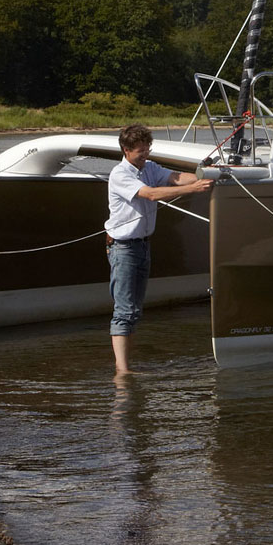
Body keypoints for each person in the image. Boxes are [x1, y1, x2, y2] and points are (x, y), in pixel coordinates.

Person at [104, 124, 212, 376]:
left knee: (134, 309)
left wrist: (205, 175)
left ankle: (125, 367)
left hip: (142, 246)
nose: (146, 154)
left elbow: (174, 177)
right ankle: (122, 371)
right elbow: (150, 194)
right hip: (123, 249)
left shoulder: (149, 167)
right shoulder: (120, 174)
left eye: (148, 149)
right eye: (141, 151)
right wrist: (192, 190)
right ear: (126, 150)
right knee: (125, 310)